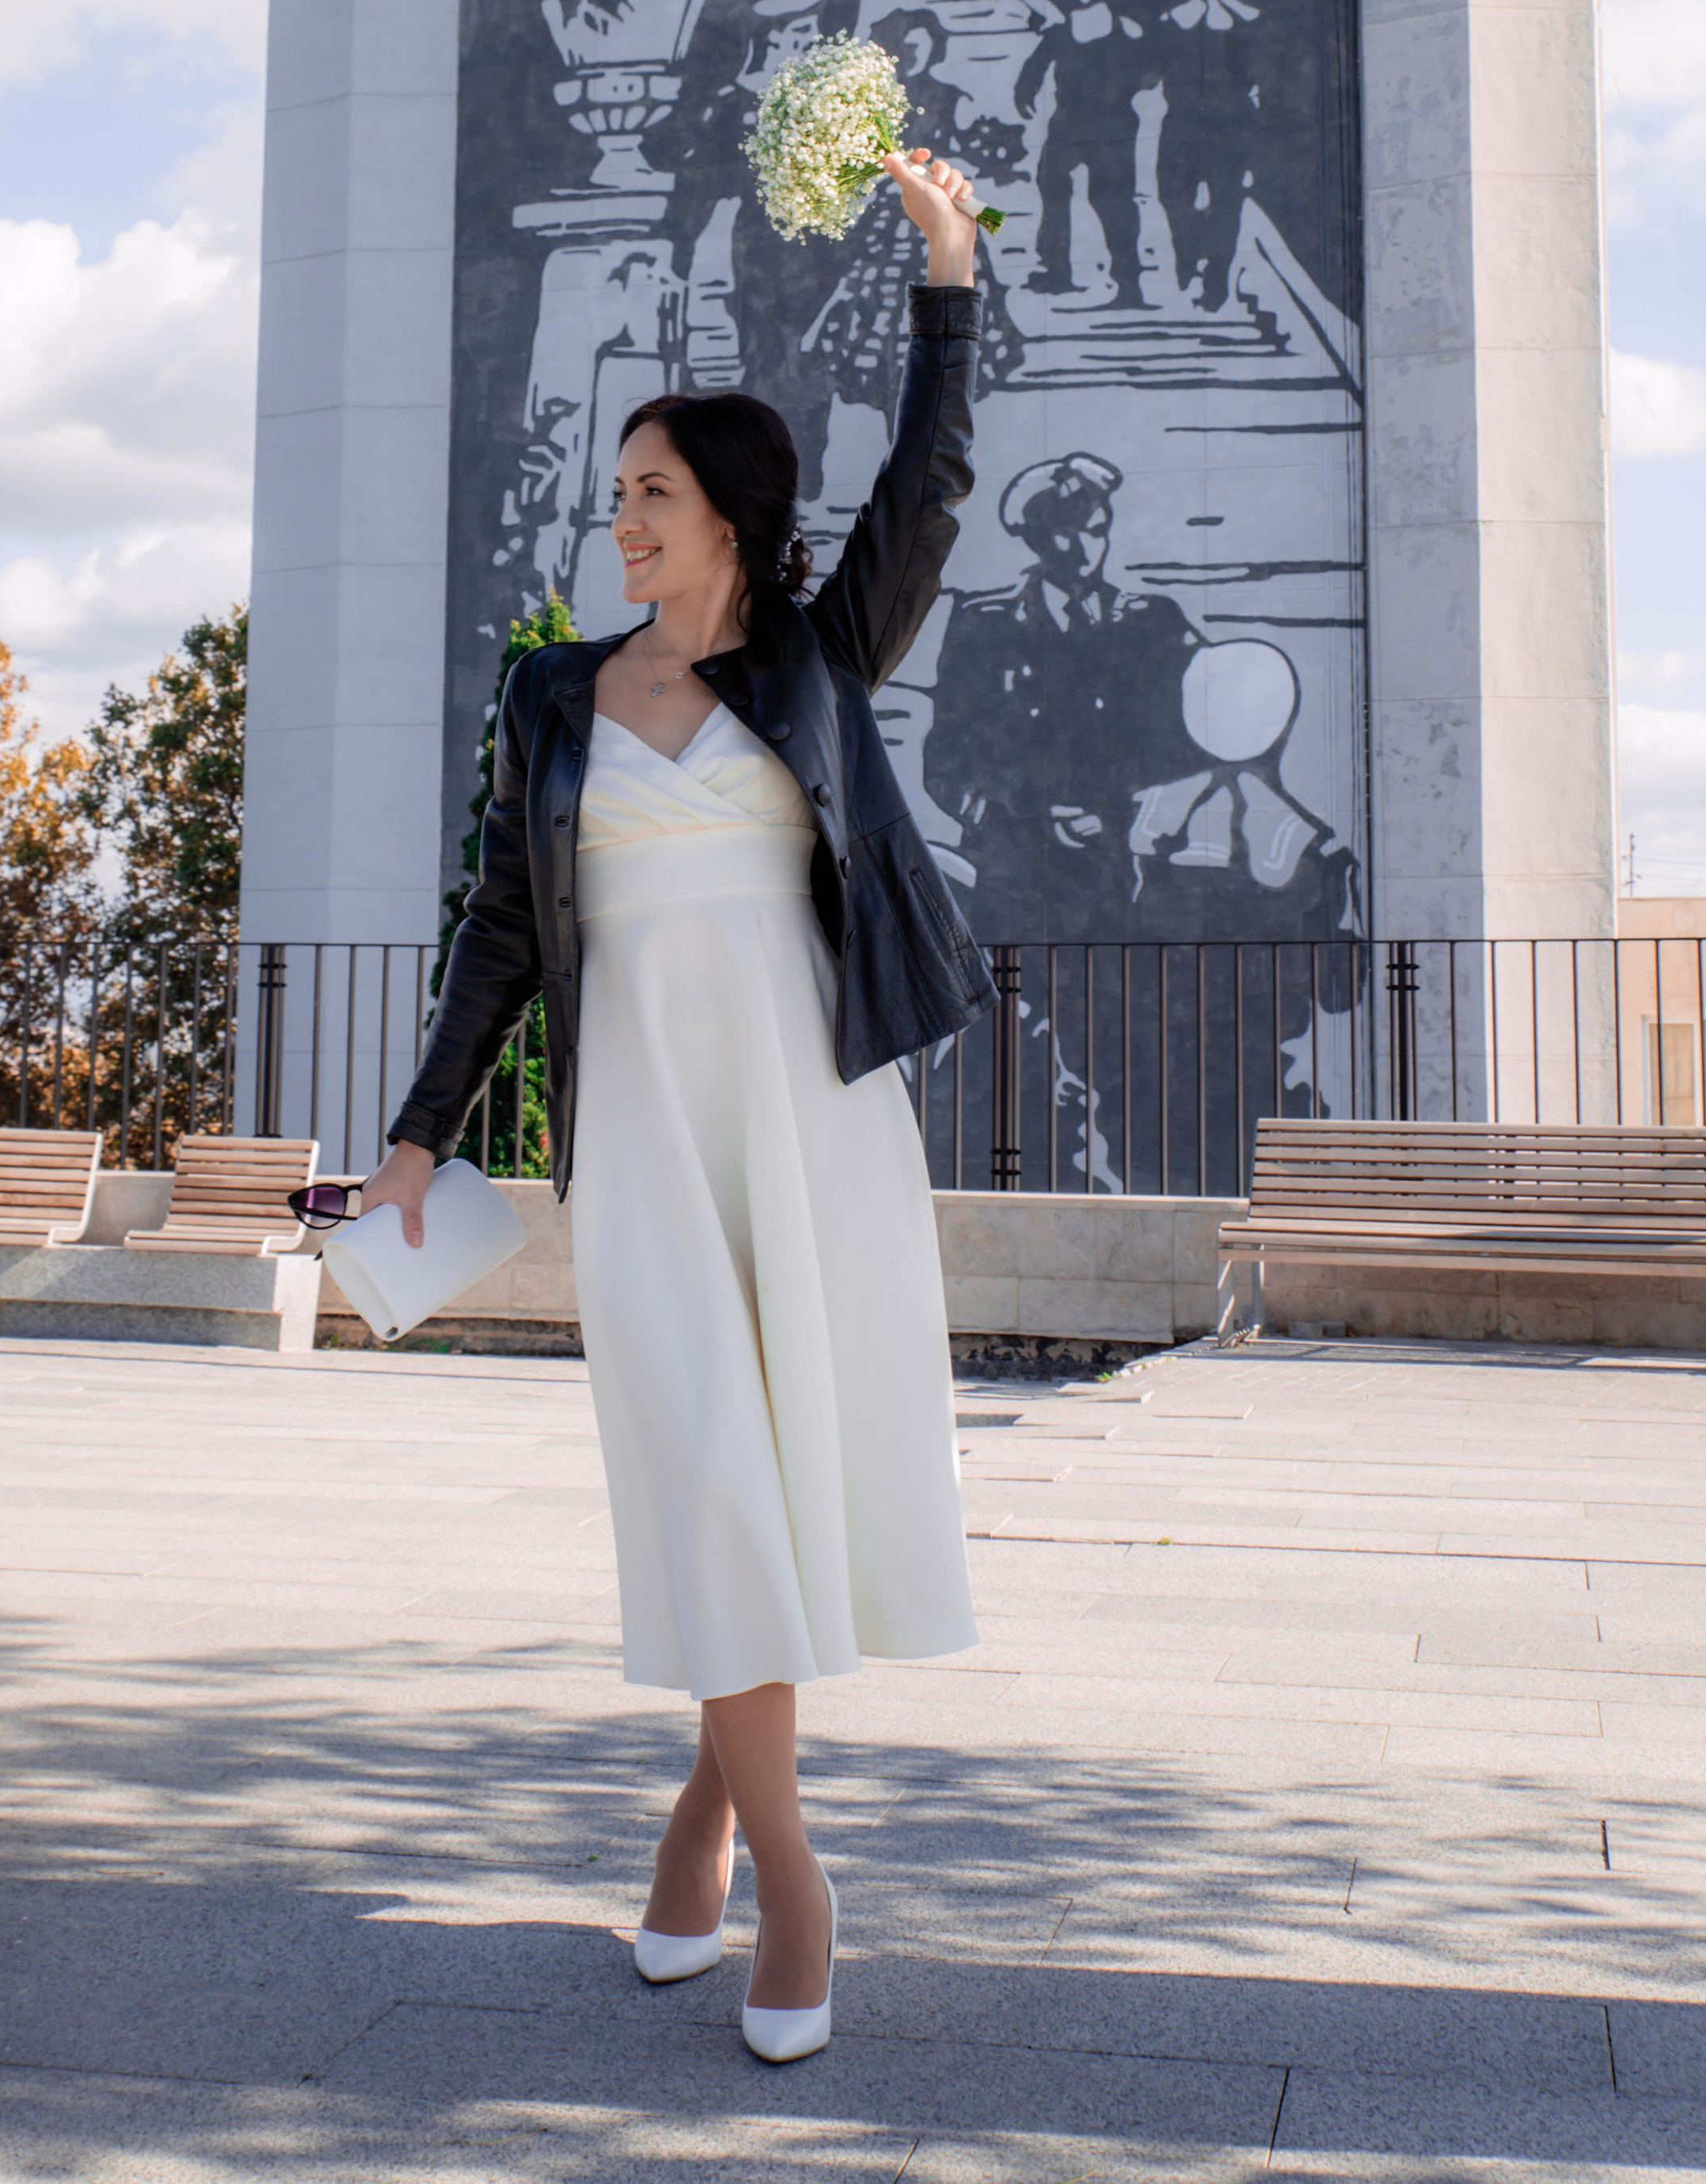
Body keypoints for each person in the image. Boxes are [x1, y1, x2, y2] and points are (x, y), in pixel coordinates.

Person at [370, 147, 995, 2066]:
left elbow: (924, 487)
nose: (615, 516)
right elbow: (496, 920)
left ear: (723, 512)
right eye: (617, 490)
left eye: (646, 491)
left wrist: (948, 278)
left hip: (806, 1115)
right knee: (705, 1466)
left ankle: (707, 1809)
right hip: (638, 1124)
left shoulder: (818, 652)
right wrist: (420, 1125)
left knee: (791, 1468)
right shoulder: (552, 697)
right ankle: (796, 1875)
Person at [926, 451, 1202, 937]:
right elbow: (947, 758)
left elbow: (1202, 738)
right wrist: (1021, 818)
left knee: (1107, 1005)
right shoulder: (985, 625)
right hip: (1016, 878)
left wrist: (1128, 816)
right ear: (1034, 536)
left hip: (1118, 871)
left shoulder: (1152, 623)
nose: (1082, 548)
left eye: (1095, 530)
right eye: (1065, 531)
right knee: (1019, 1003)